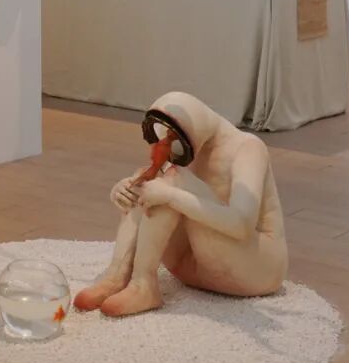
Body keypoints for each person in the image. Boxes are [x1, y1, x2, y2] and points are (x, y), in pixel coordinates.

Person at [74, 91, 287, 317]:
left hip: (255, 269)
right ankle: (116, 277)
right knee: (151, 181)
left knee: (171, 182)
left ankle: (143, 284)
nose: (168, 145)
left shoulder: (247, 147)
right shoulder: (187, 150)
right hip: (195, 263)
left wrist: (170, 196)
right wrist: (124, 191)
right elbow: (157, 186)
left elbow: (241, 225)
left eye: (173, 139)